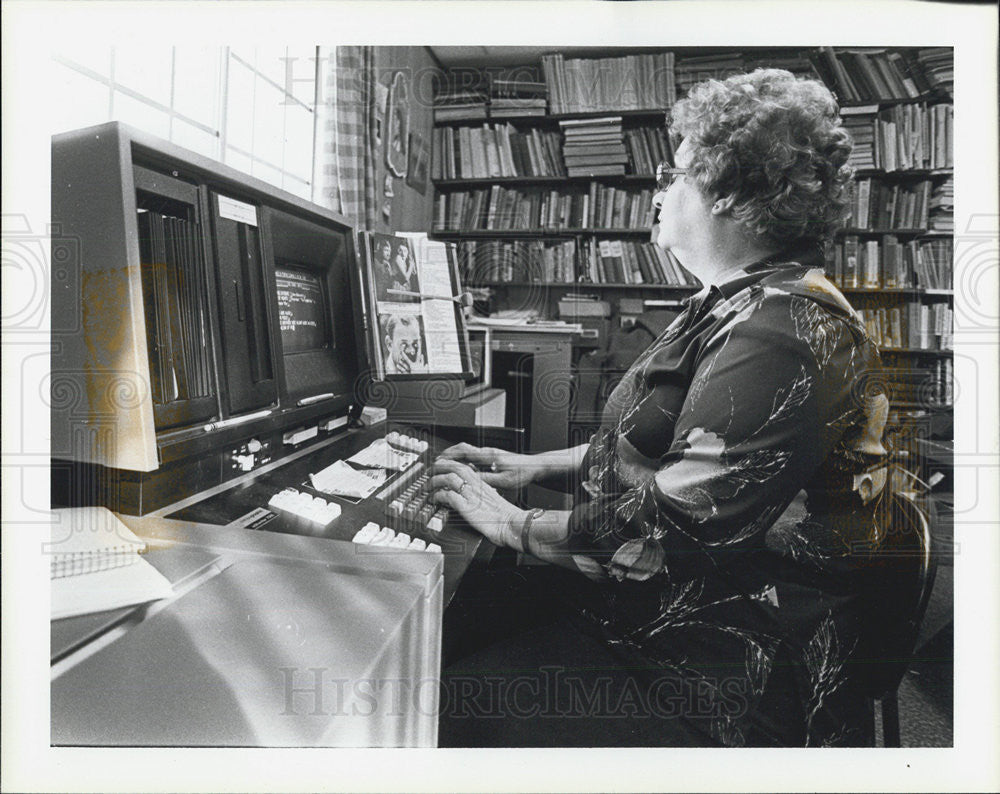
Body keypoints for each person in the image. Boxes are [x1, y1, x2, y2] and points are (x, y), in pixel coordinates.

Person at [427, 69, 896, 747]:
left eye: (673, 174)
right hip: (649, 602)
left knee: (438, 699)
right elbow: (653, 450)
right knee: (453, 615)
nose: (659, 191)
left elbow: (665, 533)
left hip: (723, 661)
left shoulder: (785, 329)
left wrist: (515, 525)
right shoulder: (731, 302)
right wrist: (529, 466)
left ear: (730, 192)